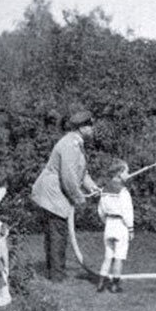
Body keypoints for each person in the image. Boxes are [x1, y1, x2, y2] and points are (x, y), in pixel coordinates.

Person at [31, 110, 100, 282]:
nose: (93, 129)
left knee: (55, 233)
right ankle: (57, 276)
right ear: (82, 128)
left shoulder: (76, 143)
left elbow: (82, 173)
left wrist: (94, 188)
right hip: (52, 194)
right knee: (57, 234)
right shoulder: (70, 145)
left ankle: (53, 273)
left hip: (54, 193)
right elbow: (69, 177)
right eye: (91, 125)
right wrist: (79, 198)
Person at [95, 159, 134, 293]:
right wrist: (131, 229)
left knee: (108, 256)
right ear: (120, 173)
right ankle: (114, 286)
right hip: (121, 226)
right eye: (126, 172)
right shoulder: (123, 192)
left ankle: (100, 285)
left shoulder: (104, 191)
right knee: (119, 257)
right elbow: (127, 212)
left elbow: (100, 210)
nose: (128, 174)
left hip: (109, 225)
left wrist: (106, 222)